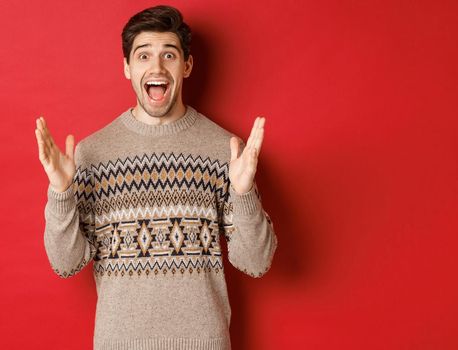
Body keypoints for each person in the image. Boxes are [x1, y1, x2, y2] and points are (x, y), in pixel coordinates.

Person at [34, 5, 278, 350]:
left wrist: (244, 192)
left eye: (169, 55)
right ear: (127, 67)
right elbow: (65, 265)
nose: (157, 66)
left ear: (187, 65)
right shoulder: (90, 154)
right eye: (144, 55)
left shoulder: (225, 150)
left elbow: (256, 263)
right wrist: (61, 192)